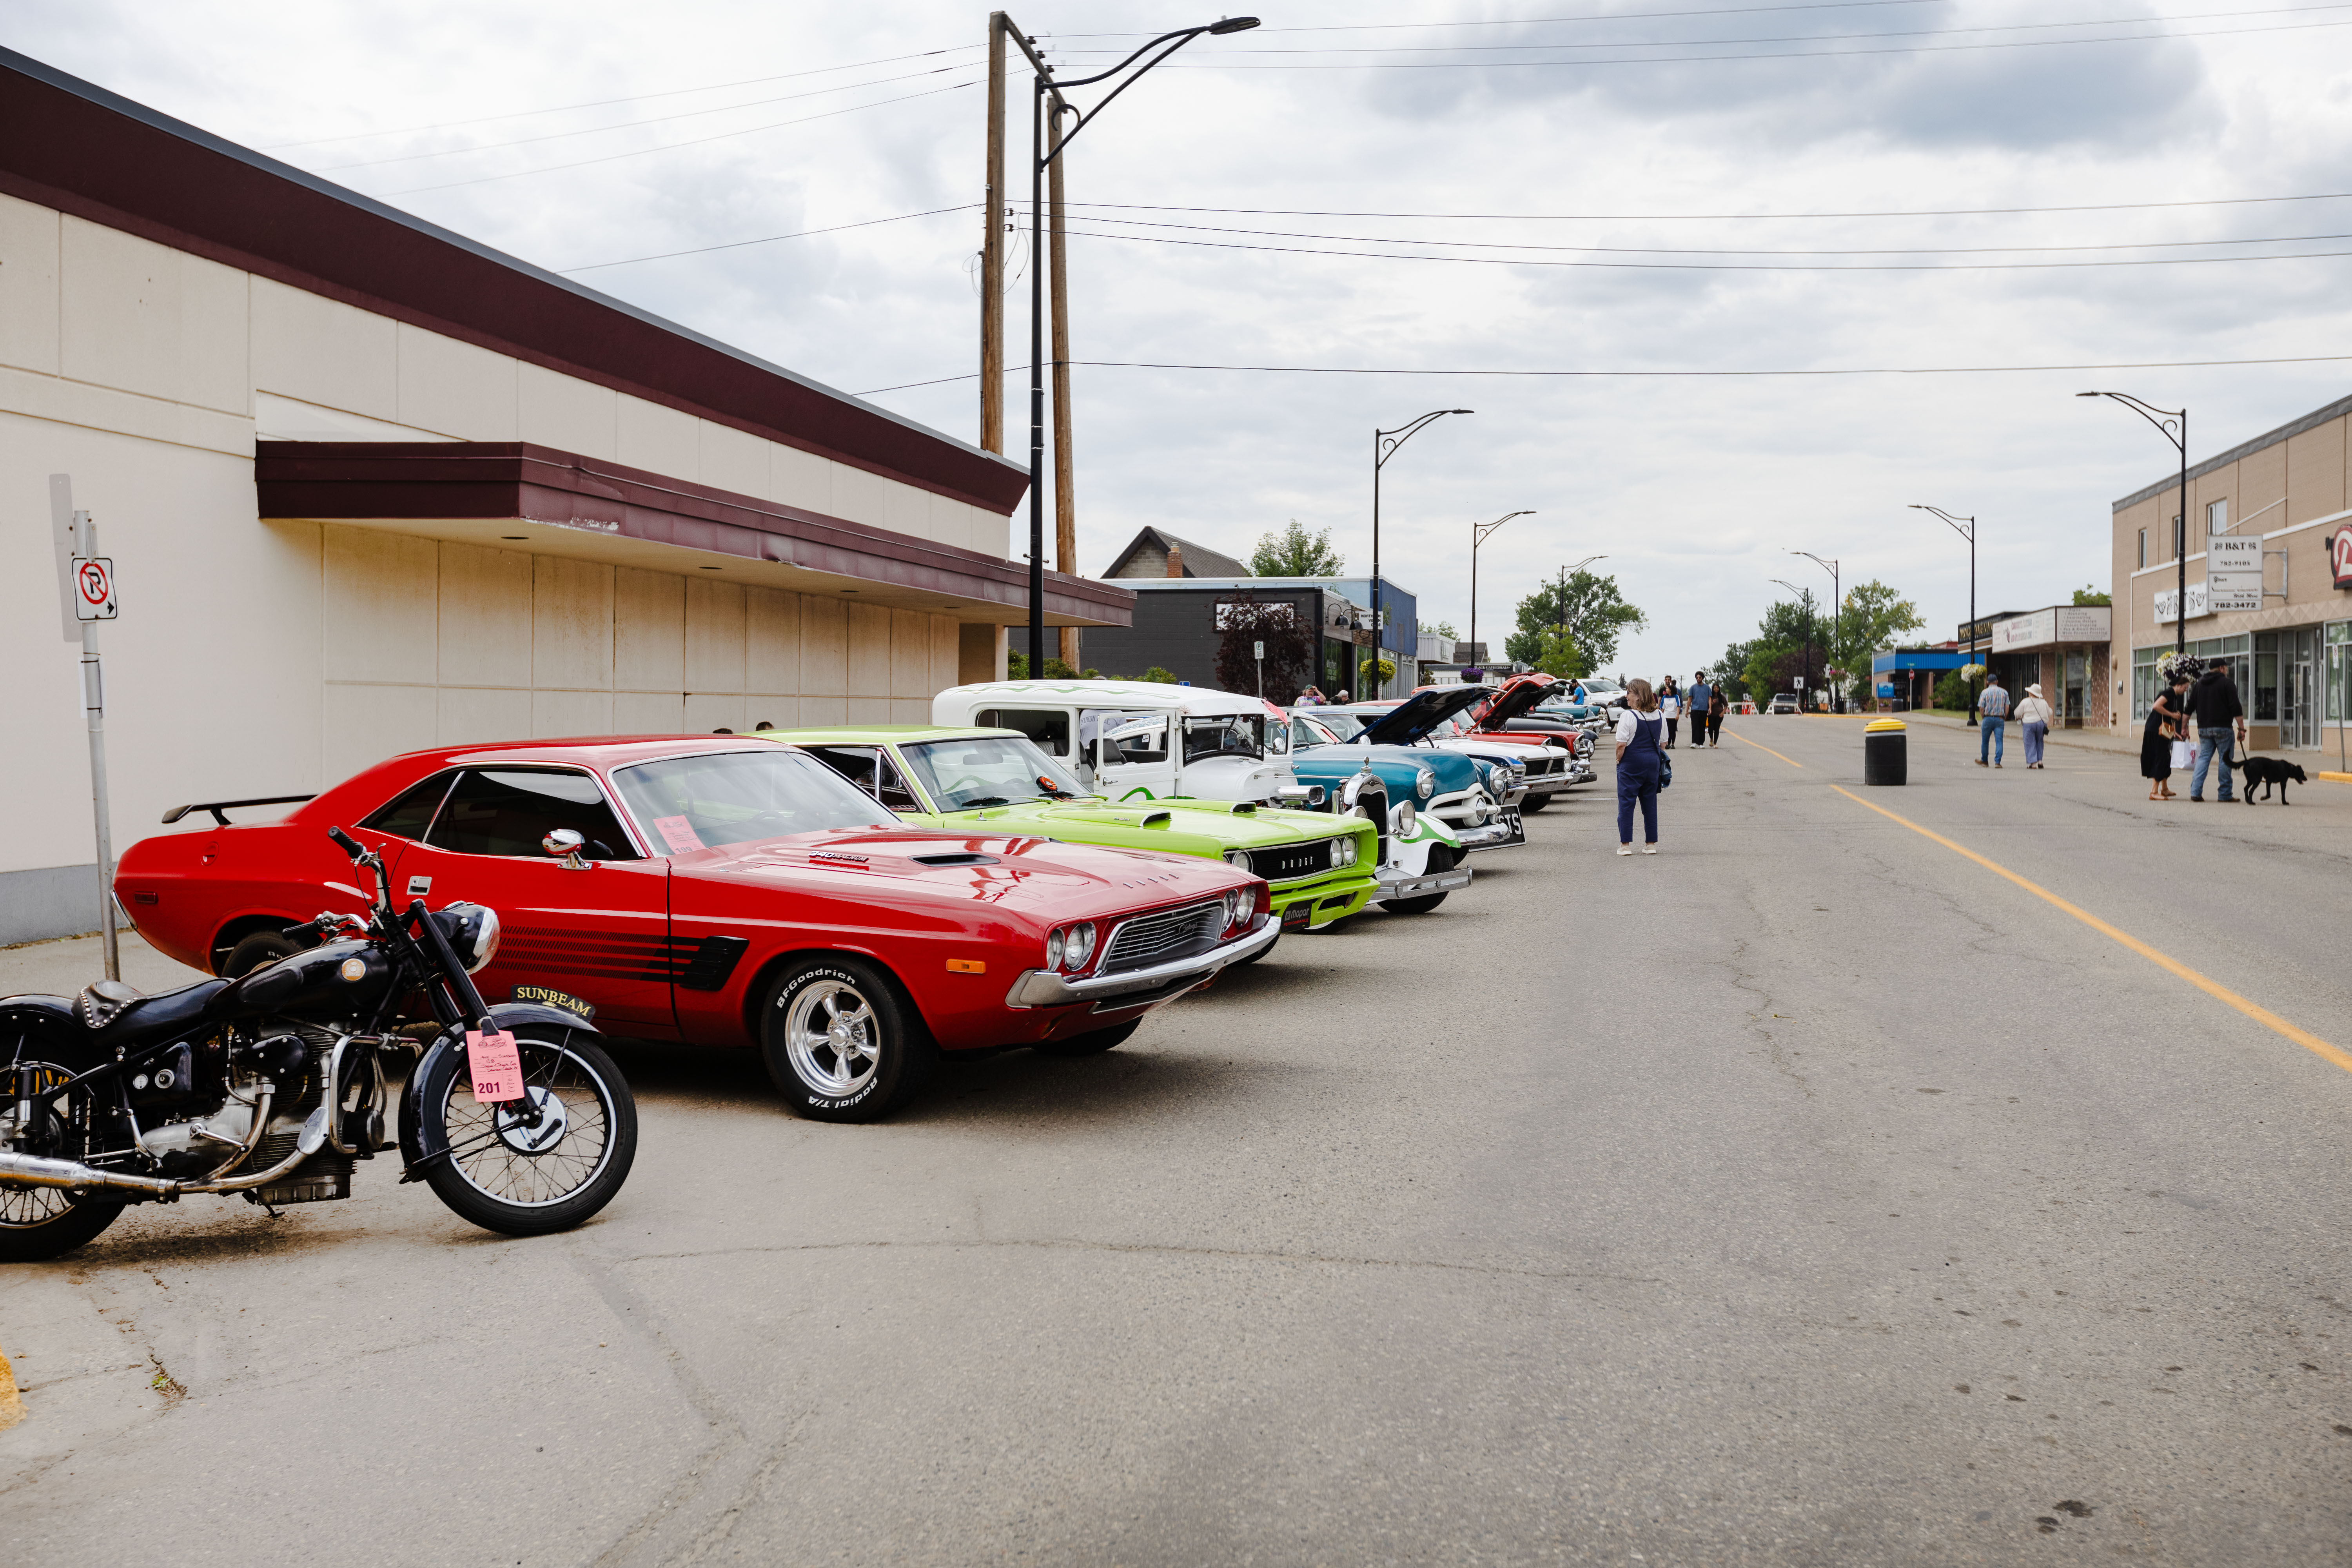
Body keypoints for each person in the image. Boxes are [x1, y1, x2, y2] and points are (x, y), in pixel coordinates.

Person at [1614, 677, 1666, 855]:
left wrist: (1619, 761)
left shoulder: (1629, 716)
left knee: (1627, 804)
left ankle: (1625, 845)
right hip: (1652, 764)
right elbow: (1663, 744)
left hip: (1631, 765)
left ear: (1638, 696)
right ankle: (1650, 844)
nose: (1626, 696)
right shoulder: (1660, 715)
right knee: (1650, 803)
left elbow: (1621, 744)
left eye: (1629, 693)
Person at [2188, 659, 2247, 802]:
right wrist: (2242, 729)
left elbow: (2188, 708)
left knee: (2203, 758)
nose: (2227, 670)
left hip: (2204, 729)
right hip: (2223, 729)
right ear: (2222, 668)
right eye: (2226, 668)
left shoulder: (2199, 685)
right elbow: (2236, 708)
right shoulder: (2227, 684)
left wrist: (2184, 728)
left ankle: (2195, 792)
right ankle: (2225, 794)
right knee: (2225, 759)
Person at [2143, 673, 2190, 801]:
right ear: (2178, 685)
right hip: (2156, 729)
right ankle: (2154, 792)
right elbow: (2156, 706)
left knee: (2166, 758)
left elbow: (2166, 717)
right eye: (2185, 687)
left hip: (2162, 729)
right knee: (2161, 758)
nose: (2186, 690)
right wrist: (2173, 715)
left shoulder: (2173, 695)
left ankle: (2164, 789)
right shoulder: (2169, 693)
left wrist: (2173, 731)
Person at [2015, 682, 2056, 769]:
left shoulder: (2025, 702)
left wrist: (2018, 717)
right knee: (2039, 742)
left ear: (2031, 693)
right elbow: (2050, 713)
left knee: (2030, 743)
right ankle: (2040, 761)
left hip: (2029, 724)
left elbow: (2017, 713)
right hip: (2041, 724)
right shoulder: (2044, 702)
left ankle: (2033, 764)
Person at [1976, 674, 2010, 768]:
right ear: (1997, 682)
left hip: (1988, 718)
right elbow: (2007, 707)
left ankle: (1985, 761)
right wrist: (2004, 718)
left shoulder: (1985, 693)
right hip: (2000, 718)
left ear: (1987, 682)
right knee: (1999, 741)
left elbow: (1981, 708)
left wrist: (1984, 717)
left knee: (1985, 740)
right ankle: (1998, 762)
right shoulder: (2004, 692)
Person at [1687, 671, 1713, 751]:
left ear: (1702, 678)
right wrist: (1687, 710)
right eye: (1697, 678)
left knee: (1702, 726)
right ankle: (1694, 742)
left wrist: (1710, 708)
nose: (1698, 679)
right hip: (1695, 709)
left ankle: (1701, 743)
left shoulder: (1707, 688)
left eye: (1700, 678)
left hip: (1704, 710)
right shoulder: (1693, 688)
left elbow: (1709, 698)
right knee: (1695, 726)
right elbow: (1690, 699)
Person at [1659, 676, 1681, 749]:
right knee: (1667, 730)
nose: (1666, 690)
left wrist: (1678, 714)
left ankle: (1673, 744)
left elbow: (1678, 706)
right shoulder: (1664, 698)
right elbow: (1662, 708)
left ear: (1671, 690)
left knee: (1673, 730)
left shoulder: (1676, 697)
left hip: (1674, 716)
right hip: (1666, 716)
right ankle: (1667, 743)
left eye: (1668, 689)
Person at [1706, 679, 1726, 746]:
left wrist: (1723, 713)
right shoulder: (1710, 697)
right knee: (1711, 729)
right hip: (1711, 715)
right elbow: (1708, 705)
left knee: (1717, 729)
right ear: (1713, 689)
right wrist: (1712, 703)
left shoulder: (1722, 697)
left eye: (1717, 688)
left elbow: (1726, 705)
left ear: (1719, 689)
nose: (1716, 689)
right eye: (1715, 688)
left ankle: (1715, 744)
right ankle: (1711, 738)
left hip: (1719, 715)